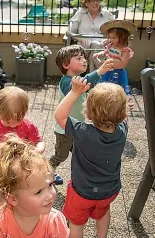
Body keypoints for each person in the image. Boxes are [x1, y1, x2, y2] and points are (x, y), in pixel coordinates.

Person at [54, 79, 128, 238]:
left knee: (77, 223)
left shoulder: (83, 131)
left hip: (82, 191)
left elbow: (59, 115)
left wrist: (75, 93)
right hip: (109, 191)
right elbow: (123, 120)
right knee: (103, 212)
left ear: (89, 111)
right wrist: (119, 108)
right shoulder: (122, 131)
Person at [49, 45, 115, 185]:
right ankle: (48, 170)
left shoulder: (78, 80)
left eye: (84, 57)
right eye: (79, 58)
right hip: (64, 129)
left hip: (78, 127)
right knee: (61, 155)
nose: (84, 60)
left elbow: (86, 88)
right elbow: (82, 84)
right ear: (66, 65)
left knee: (80, 155)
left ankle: (80, 175)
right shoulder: (67, 81)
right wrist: (100, 71)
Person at [67, 0, 115, 72]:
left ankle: (93, 77)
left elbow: (115, 32)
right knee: (86, 49)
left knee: (95, 45)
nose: (95, 3)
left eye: (97, 1)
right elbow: (70, 31)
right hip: (83, 46)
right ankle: (94, 77)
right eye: (92, 1)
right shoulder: (80, 13)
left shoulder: (107, 14)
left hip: (101, 46)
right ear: (86, 3)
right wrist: (80, 39)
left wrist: (108, 40)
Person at [93, 19, 136, 109]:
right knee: (104, 86)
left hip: (118, 72)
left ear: (122, 37)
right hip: (108, 69)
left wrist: (110, 62)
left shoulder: (125, 50)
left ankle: (121, 105)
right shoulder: (111, 45)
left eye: (113, 38)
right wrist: (100, 54)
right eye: (110, 37)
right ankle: (103, 102)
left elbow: (123, 64)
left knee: (120, 89)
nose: (110, 40)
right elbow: (106, 52)